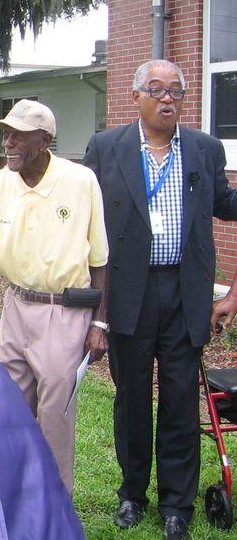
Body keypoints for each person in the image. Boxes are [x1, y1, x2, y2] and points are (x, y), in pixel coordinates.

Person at [83, 59, 237, 540]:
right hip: (127, 292)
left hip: (186, 293)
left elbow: (229, 206)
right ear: (136, 96)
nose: (167, 98)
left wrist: (234, 292)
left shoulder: (206, 151)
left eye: (177, 91)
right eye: (156, 89)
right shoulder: (107, 148)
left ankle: (177, 505)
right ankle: (132, 495)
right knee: (131, 399)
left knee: (178, 400)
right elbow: (80, 218)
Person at [0, 99, 109, 493]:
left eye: (17, 135)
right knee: (9, 407)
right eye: (5, 134)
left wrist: (99, 322)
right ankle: (11, 495)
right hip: (16, 307)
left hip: (64, 312)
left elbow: (100, 258)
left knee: (55, 415)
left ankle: (55, 506)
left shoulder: (80, 182)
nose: (7, 142)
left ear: (44, 140)